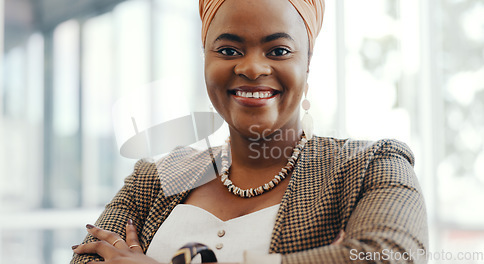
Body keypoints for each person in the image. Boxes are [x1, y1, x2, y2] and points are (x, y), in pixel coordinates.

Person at [71, 0, 428, 263]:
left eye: (278, 50)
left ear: (307, 62)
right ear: (205, 60)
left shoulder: (370, 167)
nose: (253, 67)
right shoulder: (155, 178)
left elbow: (392, 257)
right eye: (228, 49)